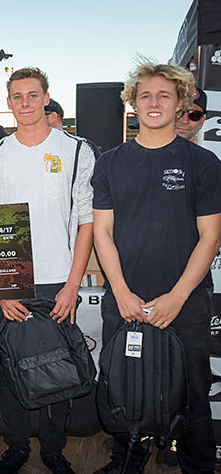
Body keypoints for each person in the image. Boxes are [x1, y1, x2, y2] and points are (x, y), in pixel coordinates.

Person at [92, 63, 221, 474]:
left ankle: (197, 465)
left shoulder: (203, 163)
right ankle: (125, 462)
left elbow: (211, 238)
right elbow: (102, 234)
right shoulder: (109, 162)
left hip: (186, 303)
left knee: (195, 393)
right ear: (132, 103)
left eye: (164, 95)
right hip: (125, 299)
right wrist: (123, 292)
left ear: (181, 104)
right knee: (122, 386)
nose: (154, 102)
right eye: (145, 94)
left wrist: (177, 297)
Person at [0, 67, 95, 474]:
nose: (25, 103)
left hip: (60, 278)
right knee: (12, 367)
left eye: (32, 95)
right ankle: (16, 445)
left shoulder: (77, 150)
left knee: (58, 366)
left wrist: (72, 284)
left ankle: (54, 448)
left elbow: (85, 222)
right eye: (17, 96)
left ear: (46, 98)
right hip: (11, 280)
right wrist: (0, 290)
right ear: (7, 103)